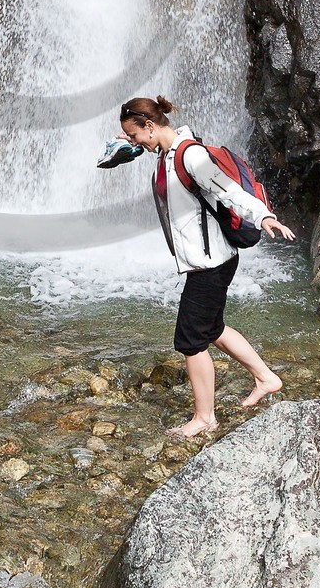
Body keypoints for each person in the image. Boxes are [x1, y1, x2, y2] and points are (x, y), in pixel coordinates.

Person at [119, 94, 296, 439]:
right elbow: (124, 151)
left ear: (151, 126)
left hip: (211, 263)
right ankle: (266, 378)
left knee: (190, 340)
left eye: (136, 134)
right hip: (208, 260)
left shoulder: (191, 155)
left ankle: (205, 418)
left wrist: (264, 216)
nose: (136, 142)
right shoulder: (168, 153)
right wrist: (124, 144)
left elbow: (230, 191)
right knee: (211, 328)